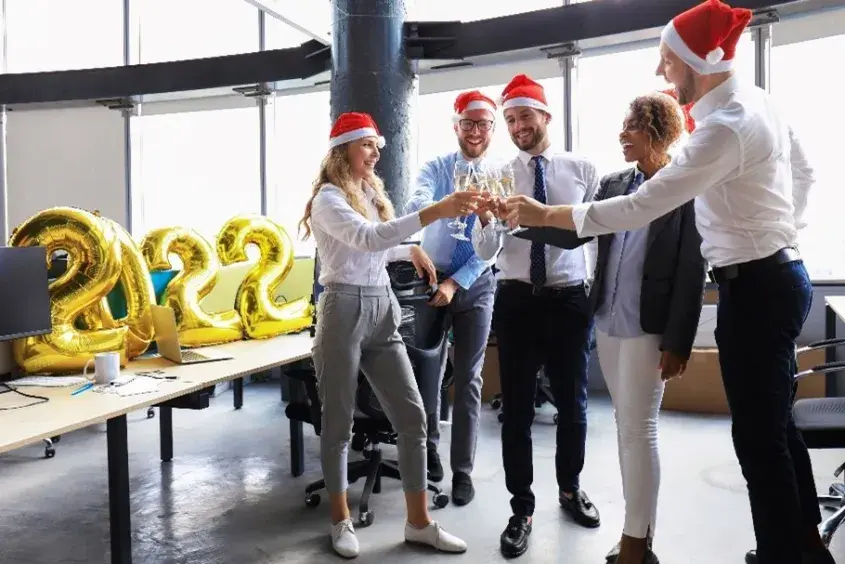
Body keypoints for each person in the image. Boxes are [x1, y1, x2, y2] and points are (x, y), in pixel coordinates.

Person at [499, 2, 828, 563]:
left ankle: (782, 554)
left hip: (757, 287)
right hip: (770, 276)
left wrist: (543, 213)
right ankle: (802, 542)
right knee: (775, 429)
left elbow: (640, 208)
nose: (661, 72)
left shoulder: (723, 130)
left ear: (698, 59)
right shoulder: (757, 103)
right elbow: (804, 172)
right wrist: (780, 234)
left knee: (757, 440)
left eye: (667, 60)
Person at [299, 111, 479, 559]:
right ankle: (340, 520)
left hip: (382, 307)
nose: (376, 153)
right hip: (343, 307)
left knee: (414, 417)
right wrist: (435, 211)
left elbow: (376, 245)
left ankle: (419, 523)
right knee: (338, 421)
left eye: (378, 146)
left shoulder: (367, 192)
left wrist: (409, 247)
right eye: (367, 145)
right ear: (343, 150)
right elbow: (364, 239)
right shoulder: (328, 198)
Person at [472, 74, 601, 559]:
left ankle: (570, 489)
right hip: (517, 299)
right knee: (517, 412)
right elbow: (486, 250)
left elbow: (594, 231)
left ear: (546, 116)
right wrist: (484, 221)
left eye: (524, 115)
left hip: (569, 298)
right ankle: (520, 508)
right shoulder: (497, 175)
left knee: (574, 405)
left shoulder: (583, 167)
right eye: (509, 119)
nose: (517, 126)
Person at [591, 92, 706, 564]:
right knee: (625, 428)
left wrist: (678, 341)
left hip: (649, 327)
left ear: (659, 131)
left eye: (632, 126)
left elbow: (691, 270)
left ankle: (637, 543)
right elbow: (575, 227)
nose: (622, 134)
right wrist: (518, 219)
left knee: (639, 429)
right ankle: (635, 529)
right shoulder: (614, 182)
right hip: (607, 320)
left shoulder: (683, 187)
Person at [404, 90, 499, 506]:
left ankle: (463, 470)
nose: (475, 132)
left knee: (469, 378)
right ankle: (428, 450)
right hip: (429, 276)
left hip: (475, 282)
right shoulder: (436, 167)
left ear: (492, 129)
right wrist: (447, 206)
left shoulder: (499, 176)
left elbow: (493, 244)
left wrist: (456, 283)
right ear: (455, 125)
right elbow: (416, 202)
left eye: (483, 124)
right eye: (468, 123)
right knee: (426, 370)